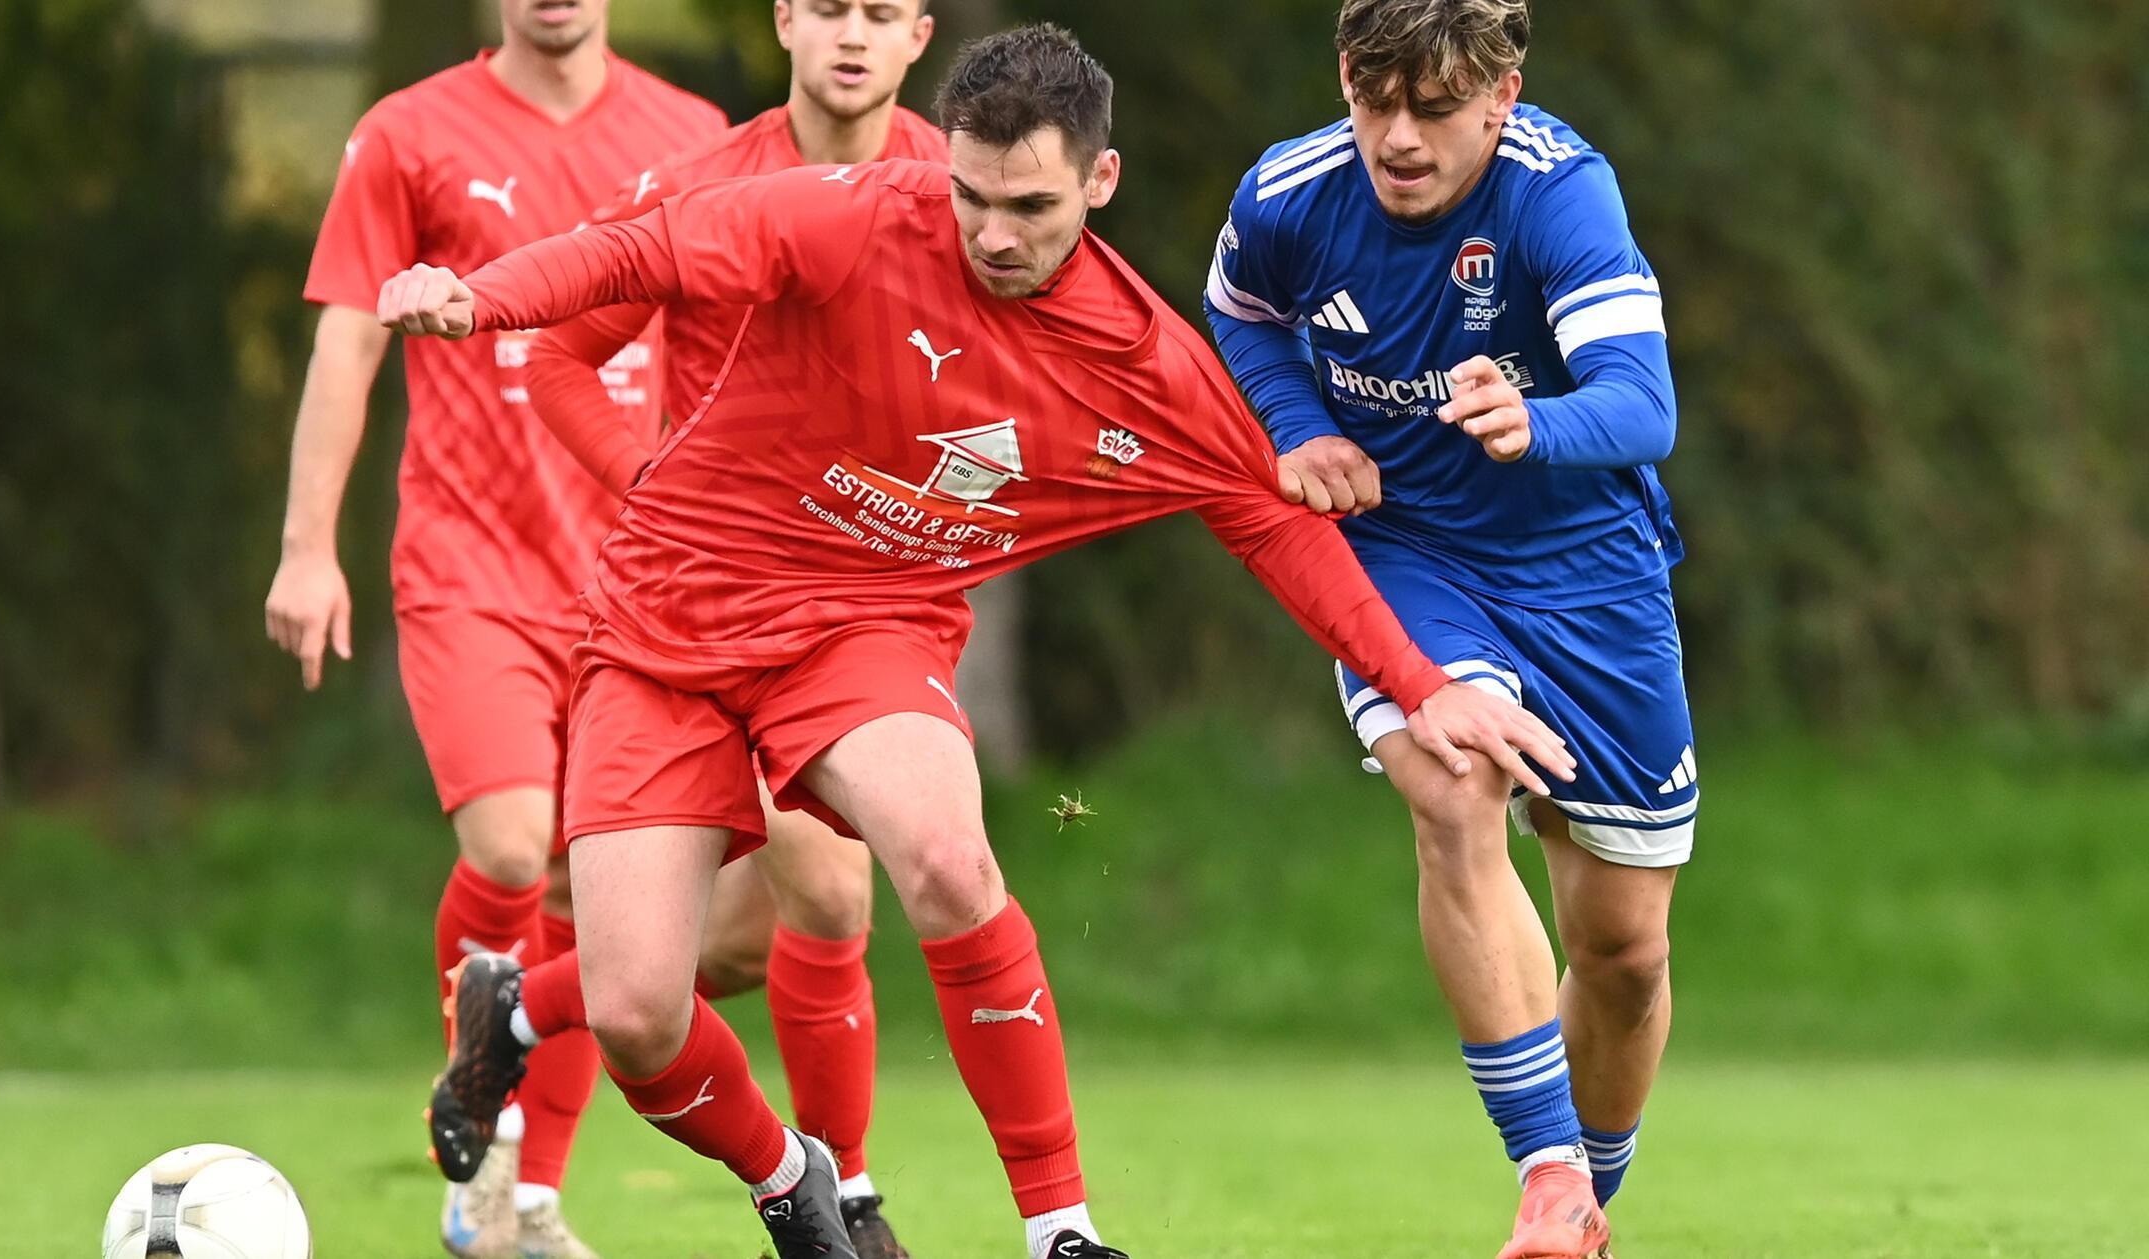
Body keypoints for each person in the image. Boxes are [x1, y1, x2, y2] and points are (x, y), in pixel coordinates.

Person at [380, 24, 1574, 1259]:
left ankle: (1060, 1229)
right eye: (970, 196)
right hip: (665, 619)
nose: (992, 234)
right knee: (638, 1011)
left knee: (944, 858)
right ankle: (785, 1173)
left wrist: (1423, 686)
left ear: (1098, 185)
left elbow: (1271, 526)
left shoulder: (1143, 361)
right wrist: (478, 297)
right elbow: (637, 249)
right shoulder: (845, 214)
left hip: (863, 627)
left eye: (1029, 205)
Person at [441, 4, 946, 1255]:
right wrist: (653, 481)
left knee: (742, 939)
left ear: (920, 33)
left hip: (862, 607)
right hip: (706, 617)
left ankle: (517, 1010)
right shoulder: (703, 183)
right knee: (809, 897)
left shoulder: (959, 185)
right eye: (827, 5)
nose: (850, 34)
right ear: (784, 17)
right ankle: (843, 1194)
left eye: (880, 11)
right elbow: (561, 363)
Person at [1202, 2, 1687, 1256]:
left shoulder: (1557, 194)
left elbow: (1641, 403)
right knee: (1449, 774)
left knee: (1624, 950)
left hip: (1584, 570)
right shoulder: (1288, 193)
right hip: (1406, 550)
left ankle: (1584, 1204)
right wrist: (1296, 427)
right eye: (1373, 101)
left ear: (1500, 95)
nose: (1396, 137)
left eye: (1430, 107)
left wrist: (1538, 421)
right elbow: (1242, 317)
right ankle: (1541, 1168)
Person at [259, 2, 724, 1254]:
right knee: (517, 848)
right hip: (469, 563)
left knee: (604, 895)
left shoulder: (691, 138)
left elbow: (738, 347)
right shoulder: (408, 134)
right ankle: (491, 1105)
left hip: (637, 580)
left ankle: (517, 1199)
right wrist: (308, 549)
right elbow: (347, 337)